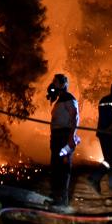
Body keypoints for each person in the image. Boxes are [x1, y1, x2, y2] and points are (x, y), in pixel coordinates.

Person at [46, 73, 80, 214]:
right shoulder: (60, 100)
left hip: (64, 136)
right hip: (56, 137)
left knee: (63, 167)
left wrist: (72, 137)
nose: (53, 84)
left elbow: (75, 117)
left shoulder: (68, 98)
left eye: (55, 82)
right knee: (55, 166)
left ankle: (62, 200)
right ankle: (56, 197)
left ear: (62, 84)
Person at [88, 81, 112, 195]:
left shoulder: (103, 100)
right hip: (111, 134)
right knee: (111, 160)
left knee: (111, 160)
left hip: (102, 133)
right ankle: (94, 178)